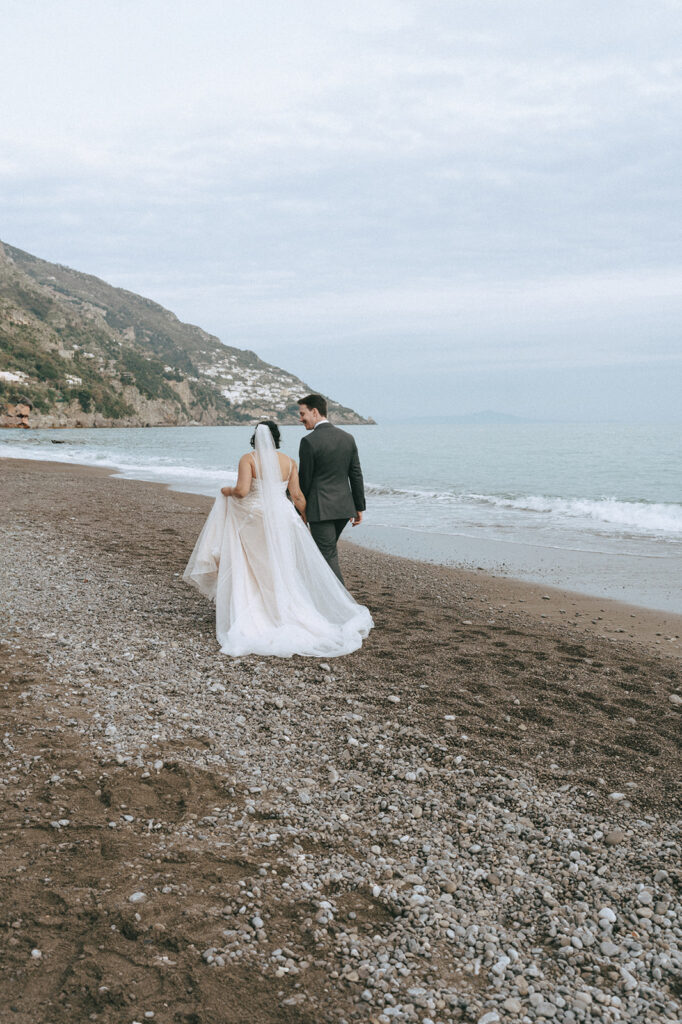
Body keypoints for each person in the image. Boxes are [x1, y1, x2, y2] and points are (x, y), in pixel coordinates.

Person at [183, 420, 373, 658]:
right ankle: (283, 610)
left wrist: (226, 491)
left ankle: (255, 611)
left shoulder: (248, 459)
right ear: (276, 438)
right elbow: (297, 496)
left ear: (255, 437)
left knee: (253, 566)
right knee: (279, 564)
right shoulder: (289, 462)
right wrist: (304, 520)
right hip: (283, 518)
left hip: (254, 518)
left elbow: (241, 491)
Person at [298, 394, 366, 585]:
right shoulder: (348, 438)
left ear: (314, 411)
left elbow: (305, 481)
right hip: (344, 508)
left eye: (303, 413)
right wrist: (359, 507)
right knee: (324, 553)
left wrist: (299, 511)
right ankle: (321, 597)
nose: (300, 418)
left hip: (321, 510)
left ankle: (343, 605)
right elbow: (356, 474)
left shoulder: (309, 441)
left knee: (327, 555)